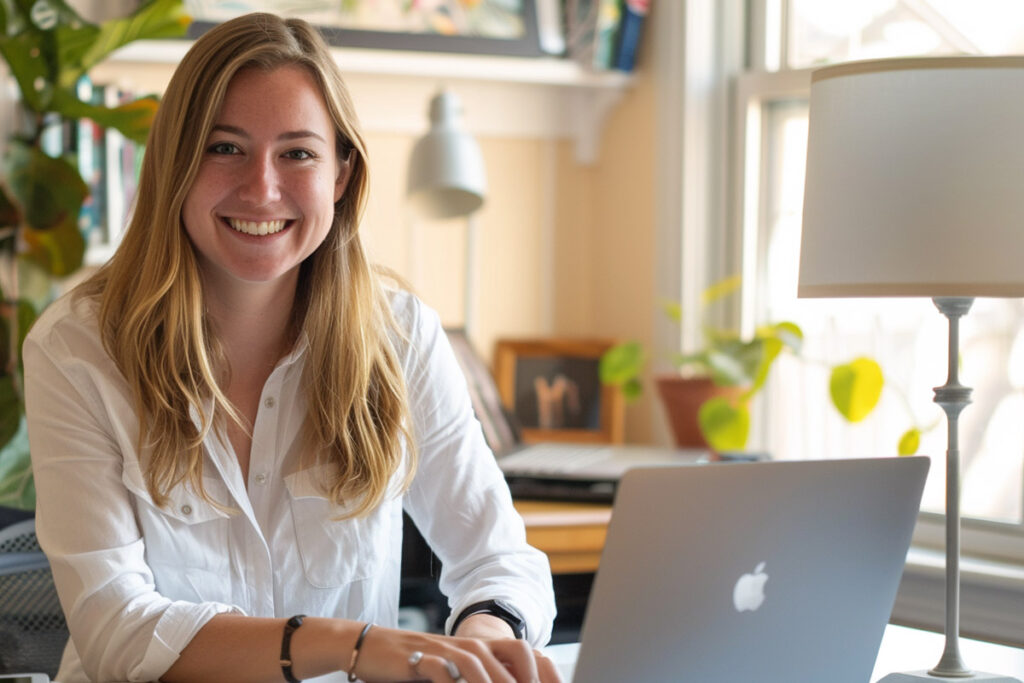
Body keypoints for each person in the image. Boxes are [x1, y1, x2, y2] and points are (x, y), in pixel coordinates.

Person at [24, 12, 559, 683]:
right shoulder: (77, 349)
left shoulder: (401, 337)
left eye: (298, 153)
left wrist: (480, 639)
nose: (262, 188)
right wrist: (353, 645)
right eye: (225, 148)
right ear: (175, 165)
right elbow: (117, 629)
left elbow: (500, 559)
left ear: (340, 172)